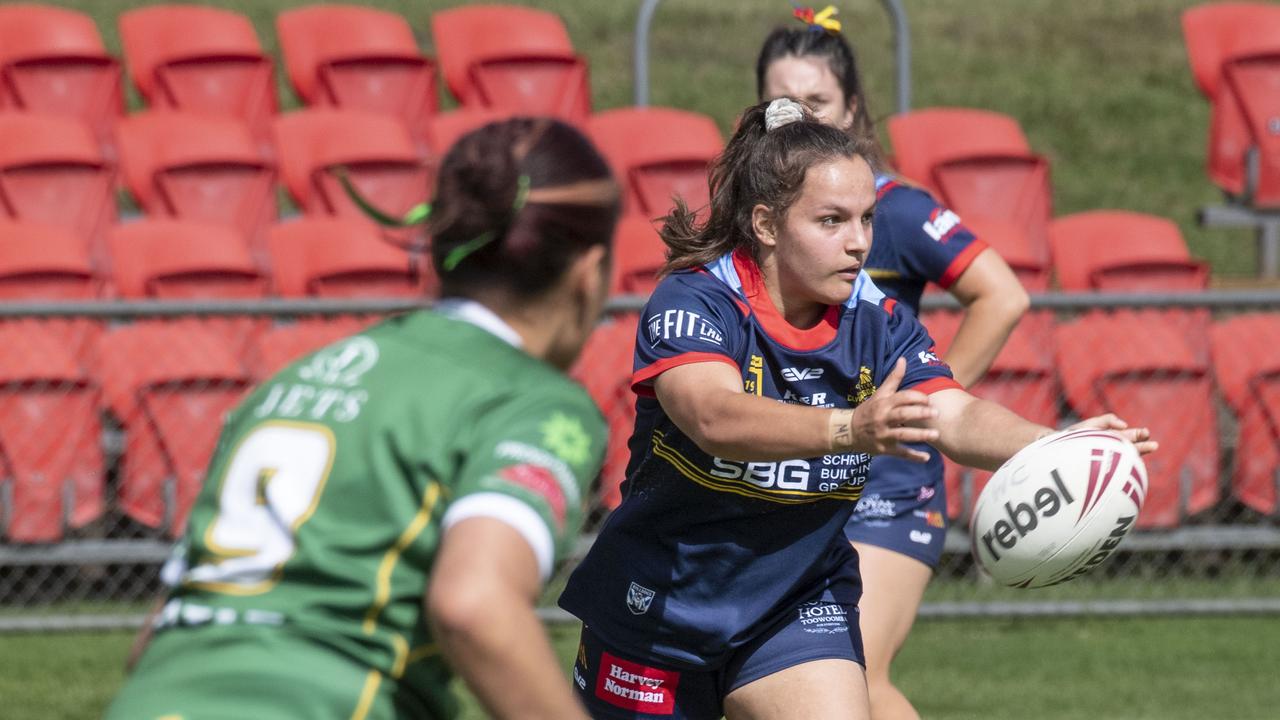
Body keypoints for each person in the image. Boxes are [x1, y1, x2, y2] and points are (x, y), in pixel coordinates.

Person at [558, 98, 1153, 720]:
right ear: (766, 223)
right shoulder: (695, 299)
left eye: (867, 220)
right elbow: (712, 416)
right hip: (659, 603)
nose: (859, 243)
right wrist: (848, 427)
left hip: (795, 603)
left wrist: (1052, 443)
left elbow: (953, 413)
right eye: (832, 221)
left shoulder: (882, 323)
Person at [106, 118, 622, 720]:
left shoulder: (289, 385)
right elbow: (474, 604)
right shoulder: (528, 399)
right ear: (589, 274)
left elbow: (155, 636)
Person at [757, 18, 1032, 719]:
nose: (796, 117)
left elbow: (1003, 295)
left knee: (856, 672)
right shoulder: (759, 223)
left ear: (852, 111)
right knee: (770, 682)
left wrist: (924, 409)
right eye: (778, 102)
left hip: (890, 481)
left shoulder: (893, 210)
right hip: (807, 467)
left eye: (816, 103)